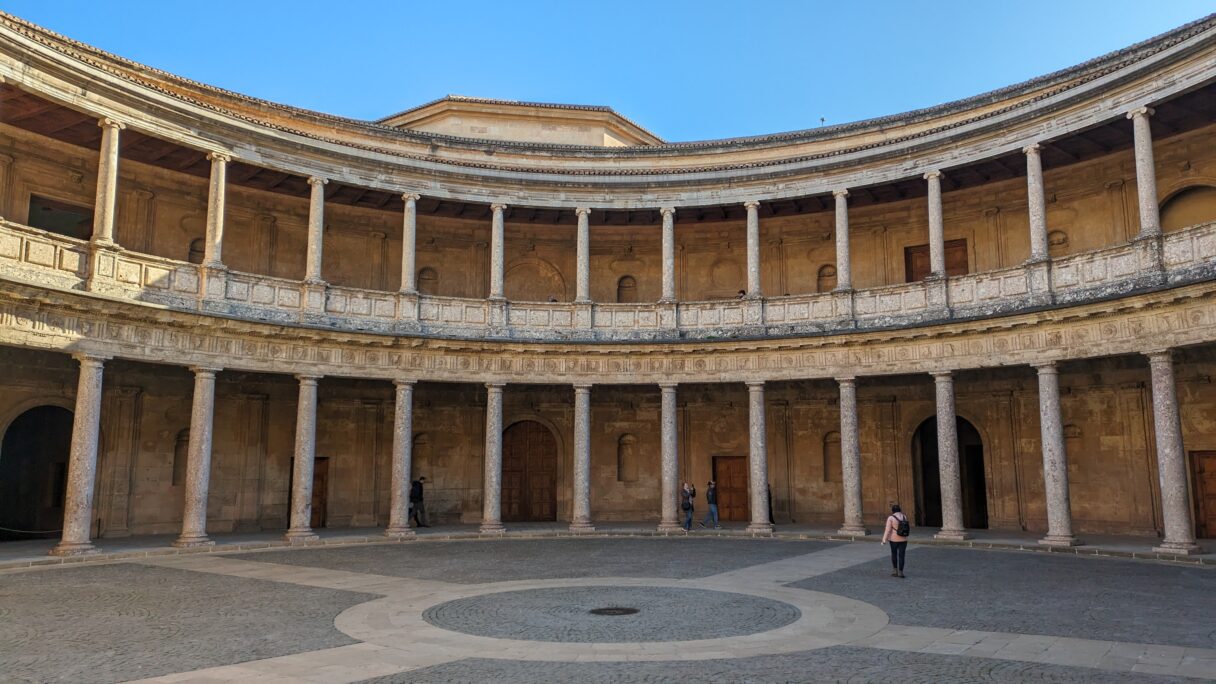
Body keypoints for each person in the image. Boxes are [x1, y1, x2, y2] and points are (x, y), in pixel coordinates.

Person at [881, 503, 910, 578]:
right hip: (903, 539)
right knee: (902, 556)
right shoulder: (904, 516)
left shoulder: (891, 518)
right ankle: (901, 572)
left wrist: (884, 539)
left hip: (894, 539)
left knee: (894, 554)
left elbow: (887, 530)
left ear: (892, 510)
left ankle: (895, 570)